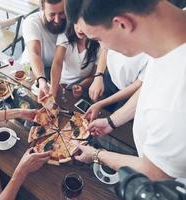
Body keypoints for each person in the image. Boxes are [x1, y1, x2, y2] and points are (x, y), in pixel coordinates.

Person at [65, 0, 186, 181]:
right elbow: (148, 87)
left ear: (122, 24)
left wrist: (97, 155)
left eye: (98, 39)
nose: (102, 47)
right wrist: (111, 121)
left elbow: (156, 172)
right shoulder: (168, 34)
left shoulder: (175, 102)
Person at [21, 0, 66, 101]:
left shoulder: (69, 21)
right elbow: (35, 53)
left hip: (53, 68)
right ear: (42, 8)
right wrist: (41, 80)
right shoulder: (31, 22)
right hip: (31, 69)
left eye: (61, 13)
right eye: (52, 14)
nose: (58, 20)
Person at [86, 48, 149, 121]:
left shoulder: (153, 55)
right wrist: (98, 76)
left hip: (128, 93)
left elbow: (138, 84)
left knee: (113, 120)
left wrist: (101, 103)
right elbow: (105, 49)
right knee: (95, 114)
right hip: (109, 79)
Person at [49, 21, 100, 99]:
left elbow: (94, 75)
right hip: (61, 84)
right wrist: (53, 92)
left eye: (84, 25)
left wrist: (81, 86)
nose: (79, 29)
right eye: (76, 23)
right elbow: (57, 63)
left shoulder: (99, 45)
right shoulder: (65, 36)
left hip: (83, 87)